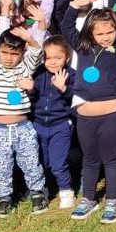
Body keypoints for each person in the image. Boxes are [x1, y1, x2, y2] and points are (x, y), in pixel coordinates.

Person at [60, 0, 116, 224]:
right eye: (99, 34)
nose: (105, 37)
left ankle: (112, 200)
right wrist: (73, 6)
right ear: (90, 34)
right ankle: (88, 198)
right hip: (86, 116)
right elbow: (66, 27)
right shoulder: (82, 49)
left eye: (109, 32)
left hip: (112, 116)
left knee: (111, 159)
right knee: (89, 159)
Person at [0, 12, 48, 218]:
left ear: (21, 54)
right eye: (5, 52)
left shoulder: (26, 68)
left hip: (23, 128)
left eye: (14, 53)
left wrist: (30, 39)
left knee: (31, 161)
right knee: (0, 165)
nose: (8, 58)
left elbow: (36, 52)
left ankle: (37, 193)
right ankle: (4, 198)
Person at [27, 35, 76, 210]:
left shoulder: (71, 75)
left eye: (58, 57)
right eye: (48, 58)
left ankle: (66, 190)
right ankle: (43, 189)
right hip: (39, 125)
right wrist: (31, 89)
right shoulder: (39, 73)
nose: (52, 62)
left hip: (60, 125)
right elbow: (32, 98)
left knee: (58, 162)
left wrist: (63, 88)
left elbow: (75, 99)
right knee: (41, 160)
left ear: (67, 58)